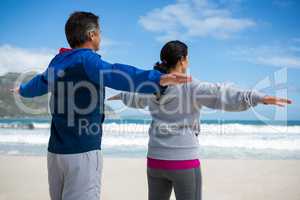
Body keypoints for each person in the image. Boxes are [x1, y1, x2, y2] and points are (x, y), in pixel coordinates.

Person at [11, 12, 191, 200]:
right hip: (82, 151)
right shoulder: (87, 60)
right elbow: (115, 73)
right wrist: (156, 78)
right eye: (99, 31)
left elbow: (39, 83)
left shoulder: (57, 61)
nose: (101, 36)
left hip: (56, 153)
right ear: (91, 35)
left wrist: (22, 90)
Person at [108, 40, 292, 200]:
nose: (188, 61)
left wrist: (120, 96)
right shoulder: (191, 86)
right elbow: (222, 94)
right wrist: (257, 97)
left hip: (155, 160)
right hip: (183, 161)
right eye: (187, 57)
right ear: (181, 60)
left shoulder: (152, 85)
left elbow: (135, 97)